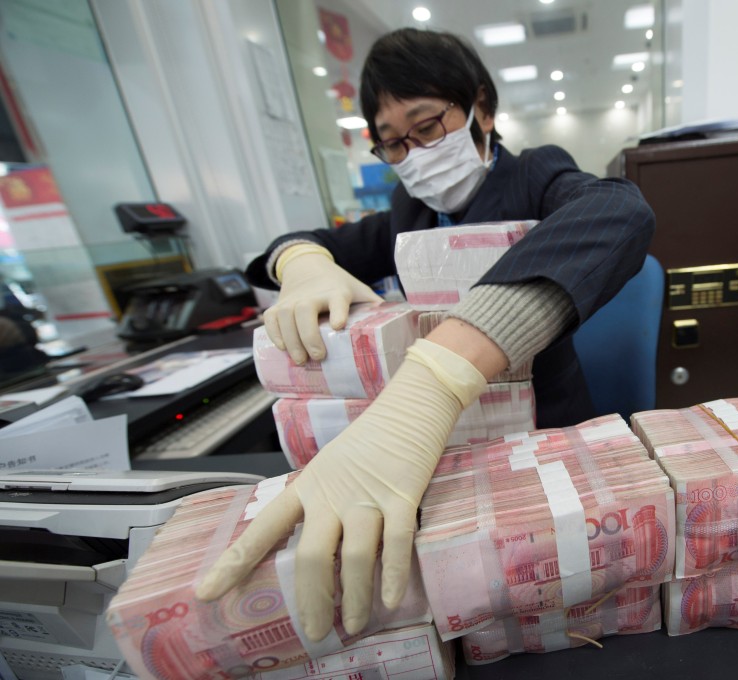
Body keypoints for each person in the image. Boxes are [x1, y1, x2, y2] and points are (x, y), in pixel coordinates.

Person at [197, 27, 655, 643]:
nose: (414, 154)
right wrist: (300, 263)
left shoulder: (535, 174)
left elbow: (620, 211)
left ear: (481, 109)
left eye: (428, 127)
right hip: (441, 449)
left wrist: (438, 376)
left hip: (543, 432)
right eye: (393, 143)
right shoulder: (408, 213)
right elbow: (304, 244)